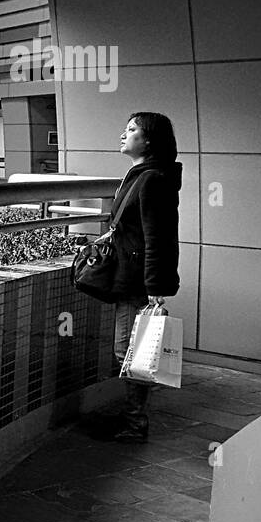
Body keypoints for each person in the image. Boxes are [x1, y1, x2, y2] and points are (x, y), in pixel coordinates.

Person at [107, 111, 181, 443]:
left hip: (137, 279)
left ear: (148, 140)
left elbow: (158, 236)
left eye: (132, 129)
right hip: (132, 274)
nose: (124, 134)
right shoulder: (141, 174)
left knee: (129, 353)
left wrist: (155, 287)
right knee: (129, 351)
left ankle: (135, 423)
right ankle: (131, 419)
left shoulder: (151, 179)